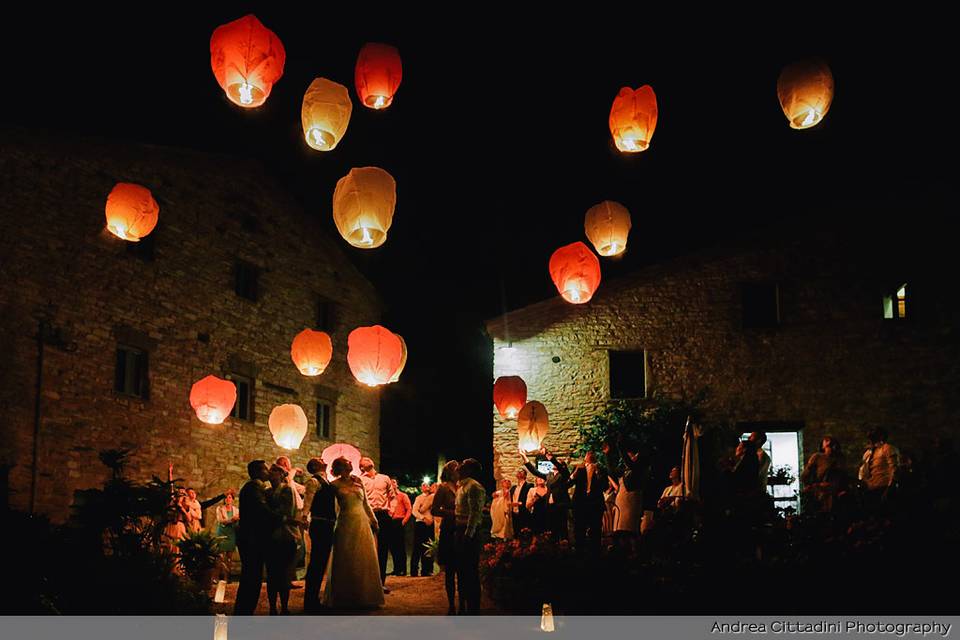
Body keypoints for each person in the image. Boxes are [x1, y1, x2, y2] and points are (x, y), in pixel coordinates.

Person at [321, 457, 385, 610]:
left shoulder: (358, 481)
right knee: (346, 556)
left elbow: (366, 503)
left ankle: (365, 595)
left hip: (361, 521)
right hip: (345, 522)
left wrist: (373, 520)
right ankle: (344, 596)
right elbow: (330, 507)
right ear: (340, 467)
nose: (350, 464)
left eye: (350, 463)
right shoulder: (334, 485)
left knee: (363, 556)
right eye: (346, 463)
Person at [235, 460, 275, 615]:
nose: (268, 472)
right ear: (259, 471)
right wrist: (283, 518)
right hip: (252, 538)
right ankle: (244, 613)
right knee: (252, 577)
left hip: (251, 537)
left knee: (252, 576)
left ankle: (245, 611)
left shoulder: (254, 487)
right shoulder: (254, 487)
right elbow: (262, 510)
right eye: (266, 469)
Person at [265, 464, 299, 615]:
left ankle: (284, 606)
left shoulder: (286, 489)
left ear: (280, 474)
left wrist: (272, 515)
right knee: (272, 574)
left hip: (285, 535)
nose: (270, 473)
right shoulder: (266, 491)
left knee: (284, 573)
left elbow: (287, 511)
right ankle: (272, 607)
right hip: (270, 536)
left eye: (274, 471)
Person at [304, 457, 336, 612]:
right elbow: (307, 502)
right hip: (320, 524)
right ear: (315, 466)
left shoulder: (326, 481)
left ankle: (314, 598)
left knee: (321, 562)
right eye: (320, 459)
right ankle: (310, 601)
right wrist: (304, 517)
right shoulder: (313, 482)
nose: (324, 460)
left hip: (328, 524)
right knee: (316, 563)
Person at [359, 457, 396, 590]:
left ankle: (381, 583)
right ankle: (367, 582)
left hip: (383, 515)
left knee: (383, 548)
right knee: (367, 548)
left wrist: (391, 510)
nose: (367, 459)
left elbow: (392, 496)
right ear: (361, 467)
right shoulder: (360, 480)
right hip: (368, 515)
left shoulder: (385, 478)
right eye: (364, 460)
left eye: (368, 459)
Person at [454, 458, 485, 615]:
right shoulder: (462, 486)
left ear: (470, 470)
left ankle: (473, 609)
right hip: (460, 531)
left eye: (463, 465)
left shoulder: (474, 487)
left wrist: (468, 534)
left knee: (470, 571)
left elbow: (475, 513)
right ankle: (463, 605)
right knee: (461, 570)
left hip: (468, 533)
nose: (459, 466)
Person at [520, 447, 571, 540]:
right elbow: (534, 471)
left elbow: (562, 469)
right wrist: (524, 457)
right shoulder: (549, 475)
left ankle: (564, 550)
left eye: (558, 462)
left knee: (562, 530)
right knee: (552, 530)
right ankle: (553, 550)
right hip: (550, 506)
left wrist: (551, 458)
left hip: (560, 505)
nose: (555, 463)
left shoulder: (563, 474)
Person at [431, 460, 459, 614]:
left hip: (461, 529)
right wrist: (451, 513)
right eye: (455, 469)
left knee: (462, 569)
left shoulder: (462, 486)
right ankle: (451, 604)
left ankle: (463, 603)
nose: (458, 471)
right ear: (449, 472)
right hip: (449, 530)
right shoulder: (442, 488)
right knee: (450, 570)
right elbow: (434, 510)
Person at [569, 451, 608, 554]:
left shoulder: (601, 469)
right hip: (580, 504)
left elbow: (605, 486)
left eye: (592, 454)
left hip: (595, 504)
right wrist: (574, 474)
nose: (590, 455)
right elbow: (569, 483)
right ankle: (579, 552)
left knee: (595, 531)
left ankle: (595, 553)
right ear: (585, 457)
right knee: (579, 530)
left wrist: (597, 473)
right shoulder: (579, 468)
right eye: (588, 454)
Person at [800, 436, 847, 513]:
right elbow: (805, 476)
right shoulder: (817, 457)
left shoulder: (840, 459)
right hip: (820, 493)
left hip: (835, 494)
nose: (830, 447)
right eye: (827, 443)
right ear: (823, 446)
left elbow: (843, 476)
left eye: (831, 444)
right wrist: (816, 485)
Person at [859, 427, 900, 510]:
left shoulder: (887, 448)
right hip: (870, 489)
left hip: (883, 488)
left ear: (881, 436)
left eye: (874, 434)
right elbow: (863, 470)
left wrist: (889, 488)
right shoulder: (868, 453)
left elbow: (894, 469)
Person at [411, 482, 435, 577]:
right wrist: (423, 518)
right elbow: (414, 511)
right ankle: (414, 570)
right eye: (424, 485)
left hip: (430, 524)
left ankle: (426, 570)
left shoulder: (433, 497)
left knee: (428, 547)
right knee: (417, 547)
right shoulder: (419, 498)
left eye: (428, 485)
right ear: (421, 488)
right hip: (421, 524)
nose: (427, 486)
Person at [388, 479, 412, 576]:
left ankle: (403, 569)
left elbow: (409, 509)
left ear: (397, 484)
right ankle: (396, 569)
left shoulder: (402, 495)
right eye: (390, 483)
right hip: (390, 522)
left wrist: (404, 521)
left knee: (400, 546)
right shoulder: (388, 497)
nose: (392, 484)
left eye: (393, 482)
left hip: (399, 521)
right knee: (392, 547)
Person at [215, 488, 240, 578]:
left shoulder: (236, 510)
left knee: (229, 557)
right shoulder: (220, 509)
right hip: (222, 532)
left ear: (232, 499)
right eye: (226, 498)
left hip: (231, 533)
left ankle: (227, 576)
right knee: (220, 556)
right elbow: (221, 520)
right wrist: (231, 520)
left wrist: (234, 520)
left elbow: (238, 520)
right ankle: (218, 576)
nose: (228, 499)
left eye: (229, 498)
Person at [509, 468, 533, 535]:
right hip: (514, 512)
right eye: (518, 471)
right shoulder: (513, 488)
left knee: (525, 532)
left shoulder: (529, 486)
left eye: (521, 471)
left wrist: (520, 503)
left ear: (525, 475)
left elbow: (530, 498)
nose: (519, 472)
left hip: (524, 512)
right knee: (516, 532)